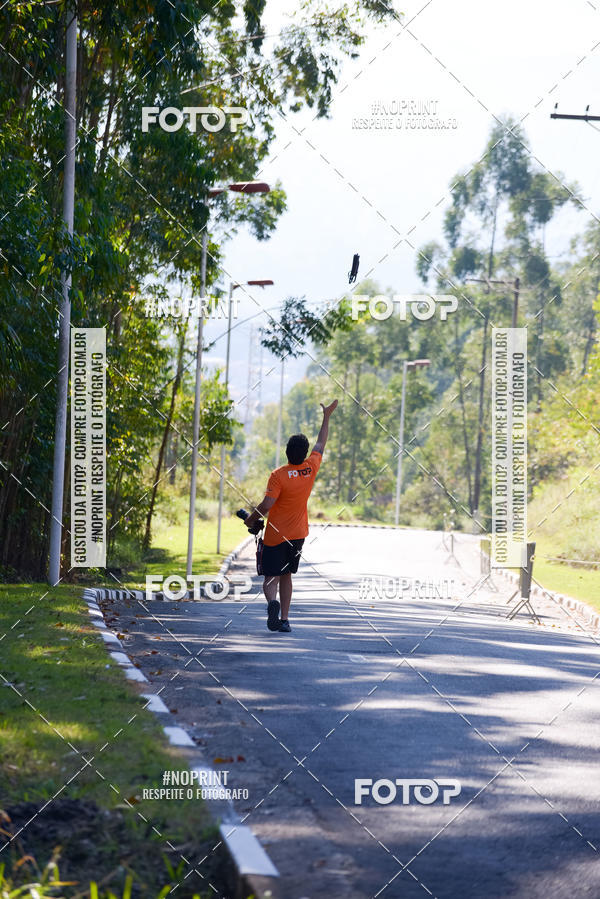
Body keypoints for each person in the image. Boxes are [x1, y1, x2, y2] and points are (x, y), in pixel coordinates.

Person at [243, 400, 338, 633]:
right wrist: (326, 416)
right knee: (286, 575)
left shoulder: (278, 475)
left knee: (270, 577)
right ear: (304, 453)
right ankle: (284, 619)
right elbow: (321, 442)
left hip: (276, 536)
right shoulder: (310, 468)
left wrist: (250, 519)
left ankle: (272, 603)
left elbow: (266, 504)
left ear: (286, 451)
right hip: (298, 535)